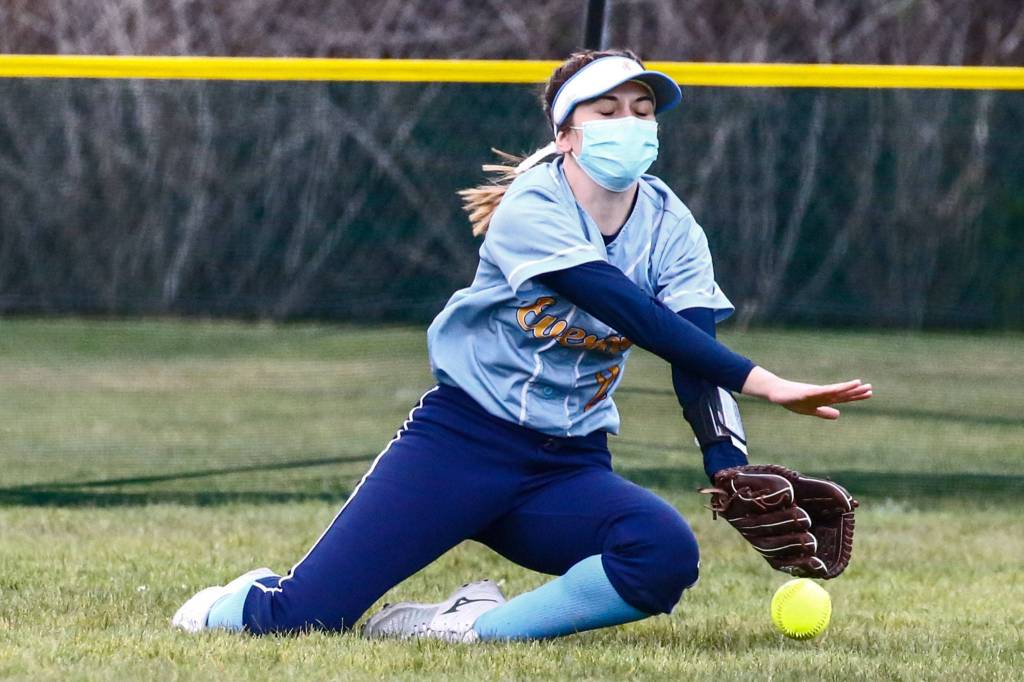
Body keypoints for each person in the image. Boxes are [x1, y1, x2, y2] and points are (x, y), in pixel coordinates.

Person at [172, 49, 871, 642]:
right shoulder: (533, 208)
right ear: (566, 134)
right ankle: (233, 601)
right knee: (304, 621)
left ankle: (466, 629)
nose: (629, 122)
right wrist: (765, 382)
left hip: (566, 468)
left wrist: (727, 464)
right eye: (607, 110)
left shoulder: (671, 224)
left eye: (642, 108)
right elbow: (628, 309)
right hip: (460, 446)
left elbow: (694, 350)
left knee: (660, 554)